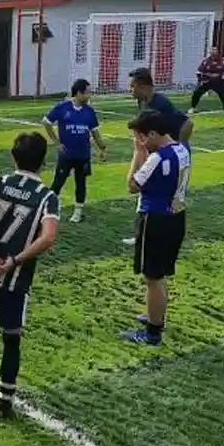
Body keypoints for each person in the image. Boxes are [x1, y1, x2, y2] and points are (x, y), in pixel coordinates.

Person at [0, 132, 60, 419]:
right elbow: (48, 237)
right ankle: (5, 400)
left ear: (13, 157)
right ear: (43, 161)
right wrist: (14, 261)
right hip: (15, 277)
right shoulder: (47, 197)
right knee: (12, 337)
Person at [122, 110, 191, 347]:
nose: (139, 140)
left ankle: (152, 332)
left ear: (152, 134)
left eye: (140, 136)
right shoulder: (182, 150)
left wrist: (138, 152)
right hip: (176, 217)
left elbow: (132, 185)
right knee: (160, 276)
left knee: (152, 277)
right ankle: (157, 316)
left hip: (155, 220)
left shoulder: (157, 158)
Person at [124, 68, 193, 245]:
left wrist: (176, 147)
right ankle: (144, 233)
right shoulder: (143, 102)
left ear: (143, 86)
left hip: (169, 154)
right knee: (150, 191)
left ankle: (154, 232)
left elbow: (188, 123)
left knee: (160, 193)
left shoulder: (161, 104)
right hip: (161, 152)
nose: (130, 90)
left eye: (132, 86)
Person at [41, 78, 108, 223]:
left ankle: (78, 213)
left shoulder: (89, 111)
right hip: (66, 154)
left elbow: (95, 132)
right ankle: (49, 210)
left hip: (83, 155)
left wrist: (102, 148)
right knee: (58, 182)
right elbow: (46, 122)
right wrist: (57, 143)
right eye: (88, 92)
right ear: (79, 93)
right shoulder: (62, 107)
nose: (90, 96)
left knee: (81, 183)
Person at [189, 46, 224, 115]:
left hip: (218, 82)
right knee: (196, 93)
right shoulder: (206, 61)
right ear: (210, 52)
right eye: (212, 50)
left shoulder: (222, 61)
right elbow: (198, 72)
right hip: (207, 81)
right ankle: (193, 108)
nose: (213, 51)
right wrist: (201, 80)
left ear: (217, 52)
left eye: (215, 50)